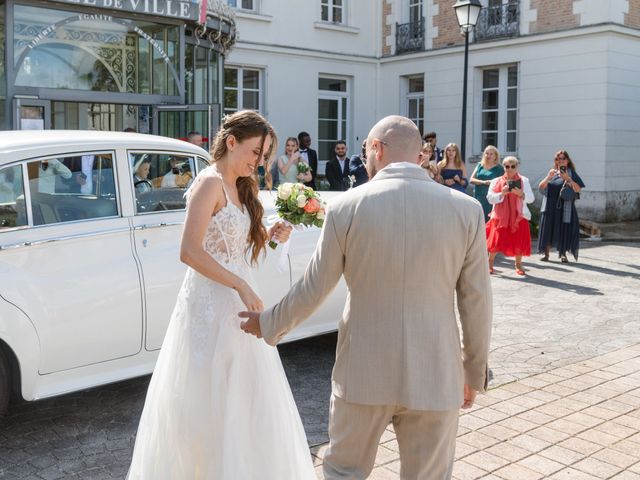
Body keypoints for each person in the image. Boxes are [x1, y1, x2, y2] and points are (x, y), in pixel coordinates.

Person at [241, 115, 492, 480]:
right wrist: (473, 371)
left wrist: (267, 324)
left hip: (362, 373)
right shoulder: (467, 210)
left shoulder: (347, 206)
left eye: (365, 151)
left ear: (376, 148)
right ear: (419, 155)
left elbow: (314, 286)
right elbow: (477, 302)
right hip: (436, 374)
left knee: (343, 473)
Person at [127, 110, 314, 479]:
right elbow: (190, 251)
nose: (259, 161)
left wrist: (269, 235)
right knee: (207, 401)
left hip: (240, 307)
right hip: (211, 306)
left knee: (245, 401)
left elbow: (234, 249)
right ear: (232, 142)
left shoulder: (240, 187)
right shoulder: (209, 182)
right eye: (255, 151)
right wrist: (240, 284)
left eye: (264, 155)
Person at [485, 156, 535, 276]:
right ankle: (489, 263)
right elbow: (490, 198)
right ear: (504, 167)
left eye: (513, 166)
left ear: (517, 167)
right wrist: (502, 193)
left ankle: (518, 265)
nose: (510, 168)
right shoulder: (496, 181)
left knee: (518, 241)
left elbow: (531, 199)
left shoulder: (524, 180)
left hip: (518, 216)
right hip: (500, 217)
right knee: (496, 242)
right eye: (507, 166)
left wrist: (521, 194)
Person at [537, 150, 585, 263]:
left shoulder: (571, 173)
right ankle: (546, 253)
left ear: (567, 160)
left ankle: (563, 254)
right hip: (549, 206)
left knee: (563, 229)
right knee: (548, 229)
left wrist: (568, 179)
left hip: (565, 206)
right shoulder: (552, 172)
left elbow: (578, 189)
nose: (561, 161)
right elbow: (541, 187)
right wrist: (548, 177)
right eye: (558, 159)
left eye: (563, 158)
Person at [470, 145, 505, 221]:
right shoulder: (480, 165)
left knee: (489, 219)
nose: (488, 155)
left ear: (495, 156)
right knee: (478, 218)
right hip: (479, 195)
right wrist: (484, 182)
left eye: (491, 154)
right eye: (487, 153)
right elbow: (471, 179)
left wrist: (493, 183)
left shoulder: (499, 168)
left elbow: (503, 182)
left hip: (491, 197)